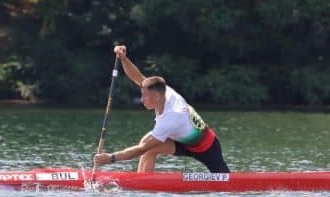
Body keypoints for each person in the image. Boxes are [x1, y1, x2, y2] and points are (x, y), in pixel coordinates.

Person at [93, 45, 230, 173]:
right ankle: (142, 184)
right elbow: (138, 78)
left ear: (157, 96)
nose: (142, 99)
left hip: (206, 146)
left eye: (145, 96)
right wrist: (124, 59)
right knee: (150, 148)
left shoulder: (171, 116)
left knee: (226, 180)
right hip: (181, 141)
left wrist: (111, 158)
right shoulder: (162, 90)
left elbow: (141, 149)